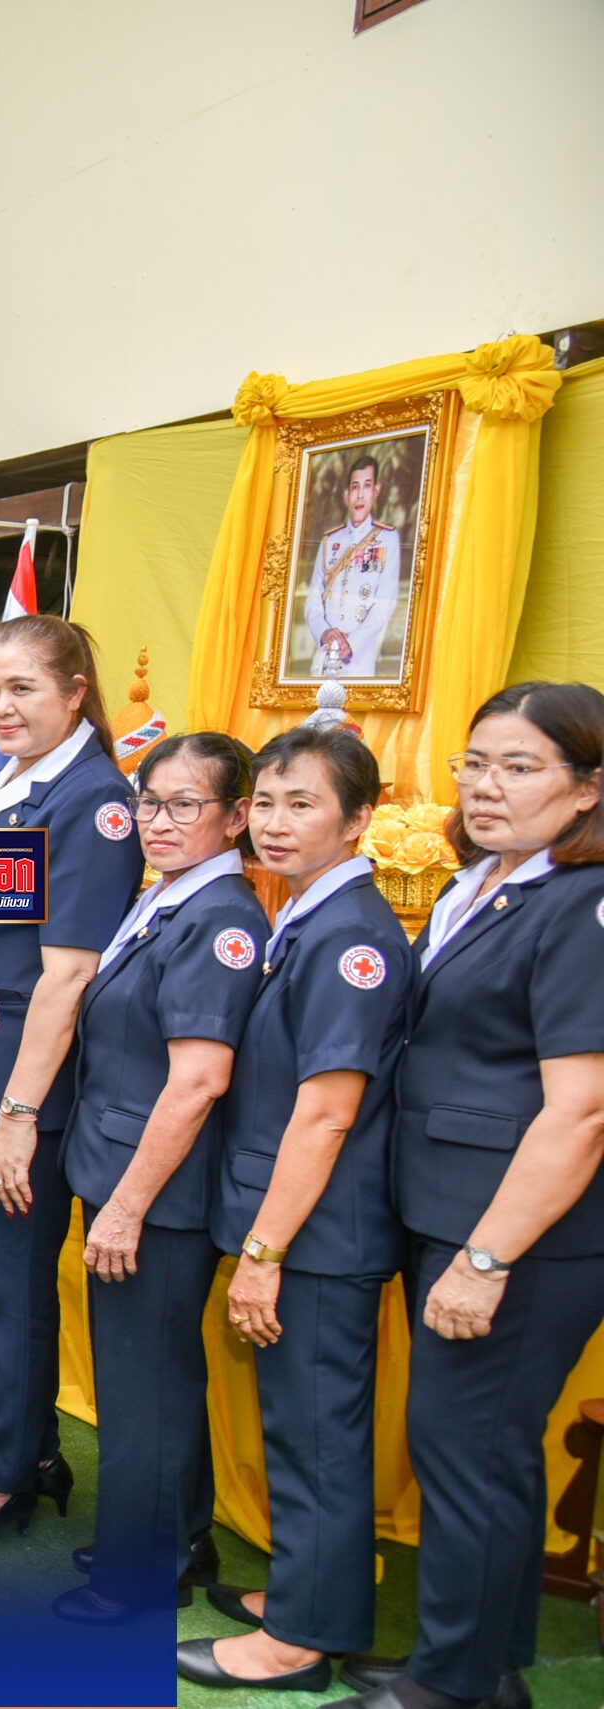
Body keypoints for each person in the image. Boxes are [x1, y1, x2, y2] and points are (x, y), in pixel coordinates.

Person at [325, 684, 604, 1709]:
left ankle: (454, 1682)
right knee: (463, 1448)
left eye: (521, 766)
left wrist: (485, 1259)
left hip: (520, 1234)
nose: (485, 784)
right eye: (474, 761)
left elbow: (580, 1110)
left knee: (473, 1451)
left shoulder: (583, 905)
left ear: (587, 790)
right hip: (443, 1205)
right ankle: (479, 1666)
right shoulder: (483, 880)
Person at [0, 615, 144, 1553]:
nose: (1, 706)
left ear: (76, 690)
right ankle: (35, 1450)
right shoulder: (12, 781)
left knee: (13, 1291)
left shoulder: (92, 802)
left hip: (22, 1093)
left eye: (23, 689)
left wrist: (17, 1114)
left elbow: (68, 973)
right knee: (9, 1283)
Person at [178, 724, 409, 1692]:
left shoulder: (350, 933)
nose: (273, 822)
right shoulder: (306, 914)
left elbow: (326, 1112)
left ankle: (303, 1639)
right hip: (300, 1228)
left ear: (358, 820)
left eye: (300, 803)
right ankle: (312, 1591)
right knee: (301, 1426)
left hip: (317, 1236)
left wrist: (265, 1248)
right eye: (263, 803)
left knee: (316, 1433)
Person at [54, 732, 265, 1624]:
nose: (160, 819)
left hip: (158, 1196)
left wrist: (128, 1206)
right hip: (126, 1173)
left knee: (149, 1390)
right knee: (146, 1382)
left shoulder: (221, 919)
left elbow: (200, 1078)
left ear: (235, 816)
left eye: (185, 804)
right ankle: (171, 1537)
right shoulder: (170, 898)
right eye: (149, 801)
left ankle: (142, 1572)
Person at [304, 456, 403, 680]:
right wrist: (324, 633)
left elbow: (384, 605)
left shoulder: (387, 539)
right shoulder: (330, 540)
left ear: (376, 491)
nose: (360, 495)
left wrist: (351, 643)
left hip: (360, 661)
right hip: (323, 657)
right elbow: (313, 599)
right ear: (346, 495)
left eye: (367, 486)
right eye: (355, 487)